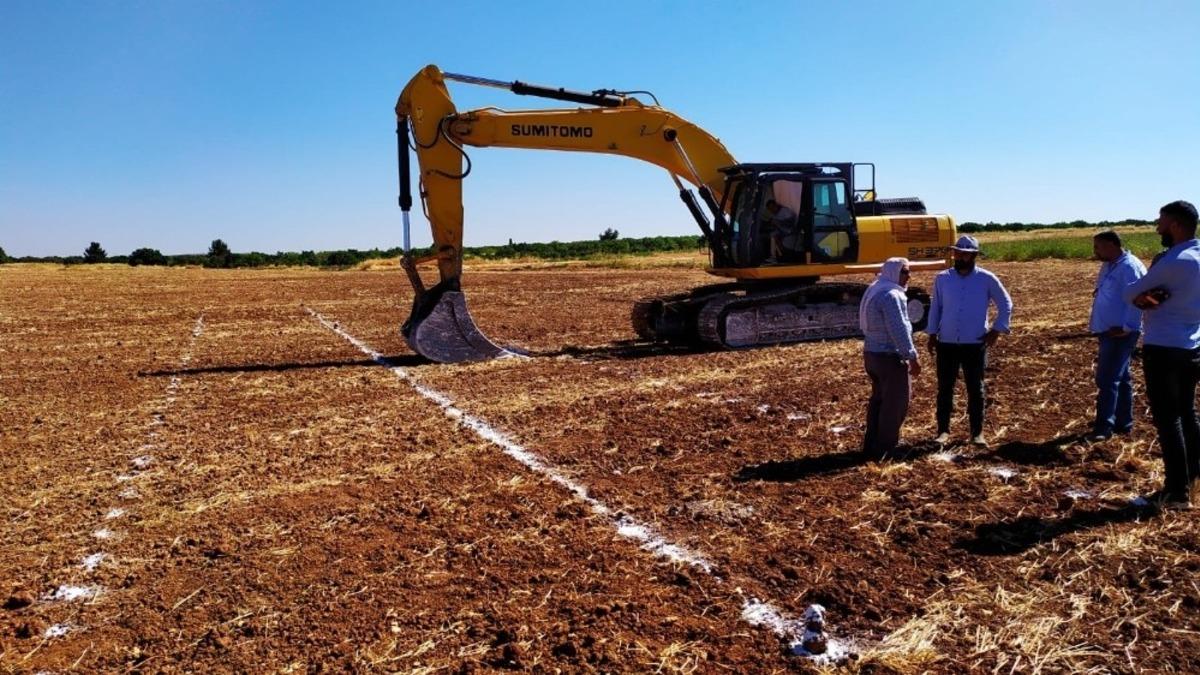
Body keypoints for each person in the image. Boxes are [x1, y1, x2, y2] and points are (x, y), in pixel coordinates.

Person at [1122, 200, 1200, 510]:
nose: (1157, 228)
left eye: (1161, 222)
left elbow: (1130, 293)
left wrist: (1146, 296)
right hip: (1192, 345)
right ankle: (1193, 478)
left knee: (1169, 420)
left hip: (1163, 347)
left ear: (1176, 225)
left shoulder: (1174, 260)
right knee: (1187, 413)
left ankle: (1176, 492)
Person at [925, 235, 1013, 448]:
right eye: (957, 253)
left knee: (976, 389)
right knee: (945, 388)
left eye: (965, 254)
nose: (960, 257)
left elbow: (1006, 304)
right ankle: (943, 431)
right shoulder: (942, 278)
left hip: (974, 343)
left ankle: (977, 433)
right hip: (946, 342)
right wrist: (932, 334)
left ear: (974, 256)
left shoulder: (986, 278)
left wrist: (996, 330)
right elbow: (936, 308)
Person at [858, 258, 921, 460]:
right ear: (894, 272)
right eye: (905, 272)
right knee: (895, 403)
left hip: (871, 354)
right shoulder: (892, 295)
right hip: (889, 357)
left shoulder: (875, 289)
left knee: (879, 400)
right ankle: (885, 449)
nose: (909, 276)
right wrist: (912, 356)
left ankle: (871, 444)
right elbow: (898, 329)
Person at [1088, 231, 1146, 441]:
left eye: (1098, 247)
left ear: (1112, 245)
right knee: (1121, 377)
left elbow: (1139, 300)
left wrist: (1127, 327)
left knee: (1107, 379)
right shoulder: (1109, 265)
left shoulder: (1129, 267)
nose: (1095, 251)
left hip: (1120, 333)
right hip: (1109, 331)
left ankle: (1104, 427)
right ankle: (1123, 421)